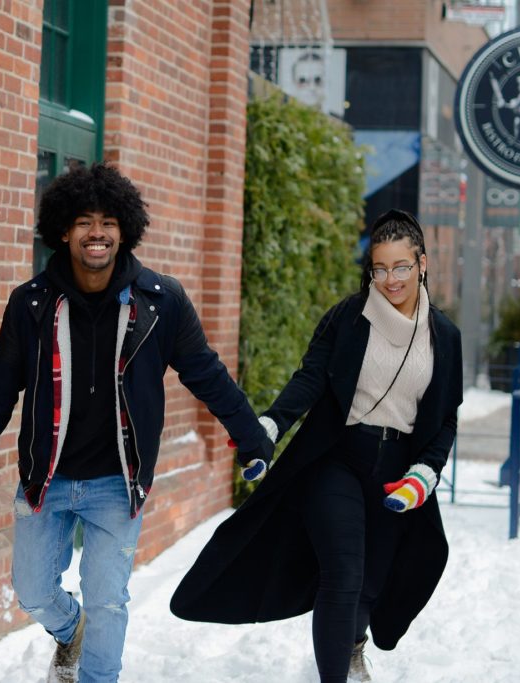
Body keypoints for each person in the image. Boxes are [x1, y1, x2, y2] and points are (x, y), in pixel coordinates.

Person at [0, 163, 271, 683]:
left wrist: (251, 438)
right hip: (45, 480)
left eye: (109, 222)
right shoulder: (31, 304)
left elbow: (206, 373)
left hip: (117, 483)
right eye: (84, 222)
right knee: (31, 591)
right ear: (64, 231)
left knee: (109, 601)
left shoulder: (160, 302)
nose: (97, 233)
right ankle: (70, 630)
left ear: (126, 229)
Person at [170, 209, 463, 683]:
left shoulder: (444, 337)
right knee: (342, 576)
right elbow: (309, 378)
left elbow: (445, 416)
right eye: (380, 268)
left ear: (423, 264)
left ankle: (352, 645)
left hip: (399, 471)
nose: (390, 279)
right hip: (338, 460)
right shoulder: (348, 318)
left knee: (370, 584)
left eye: (401, 267)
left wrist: (426, 473)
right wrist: (270, 425)